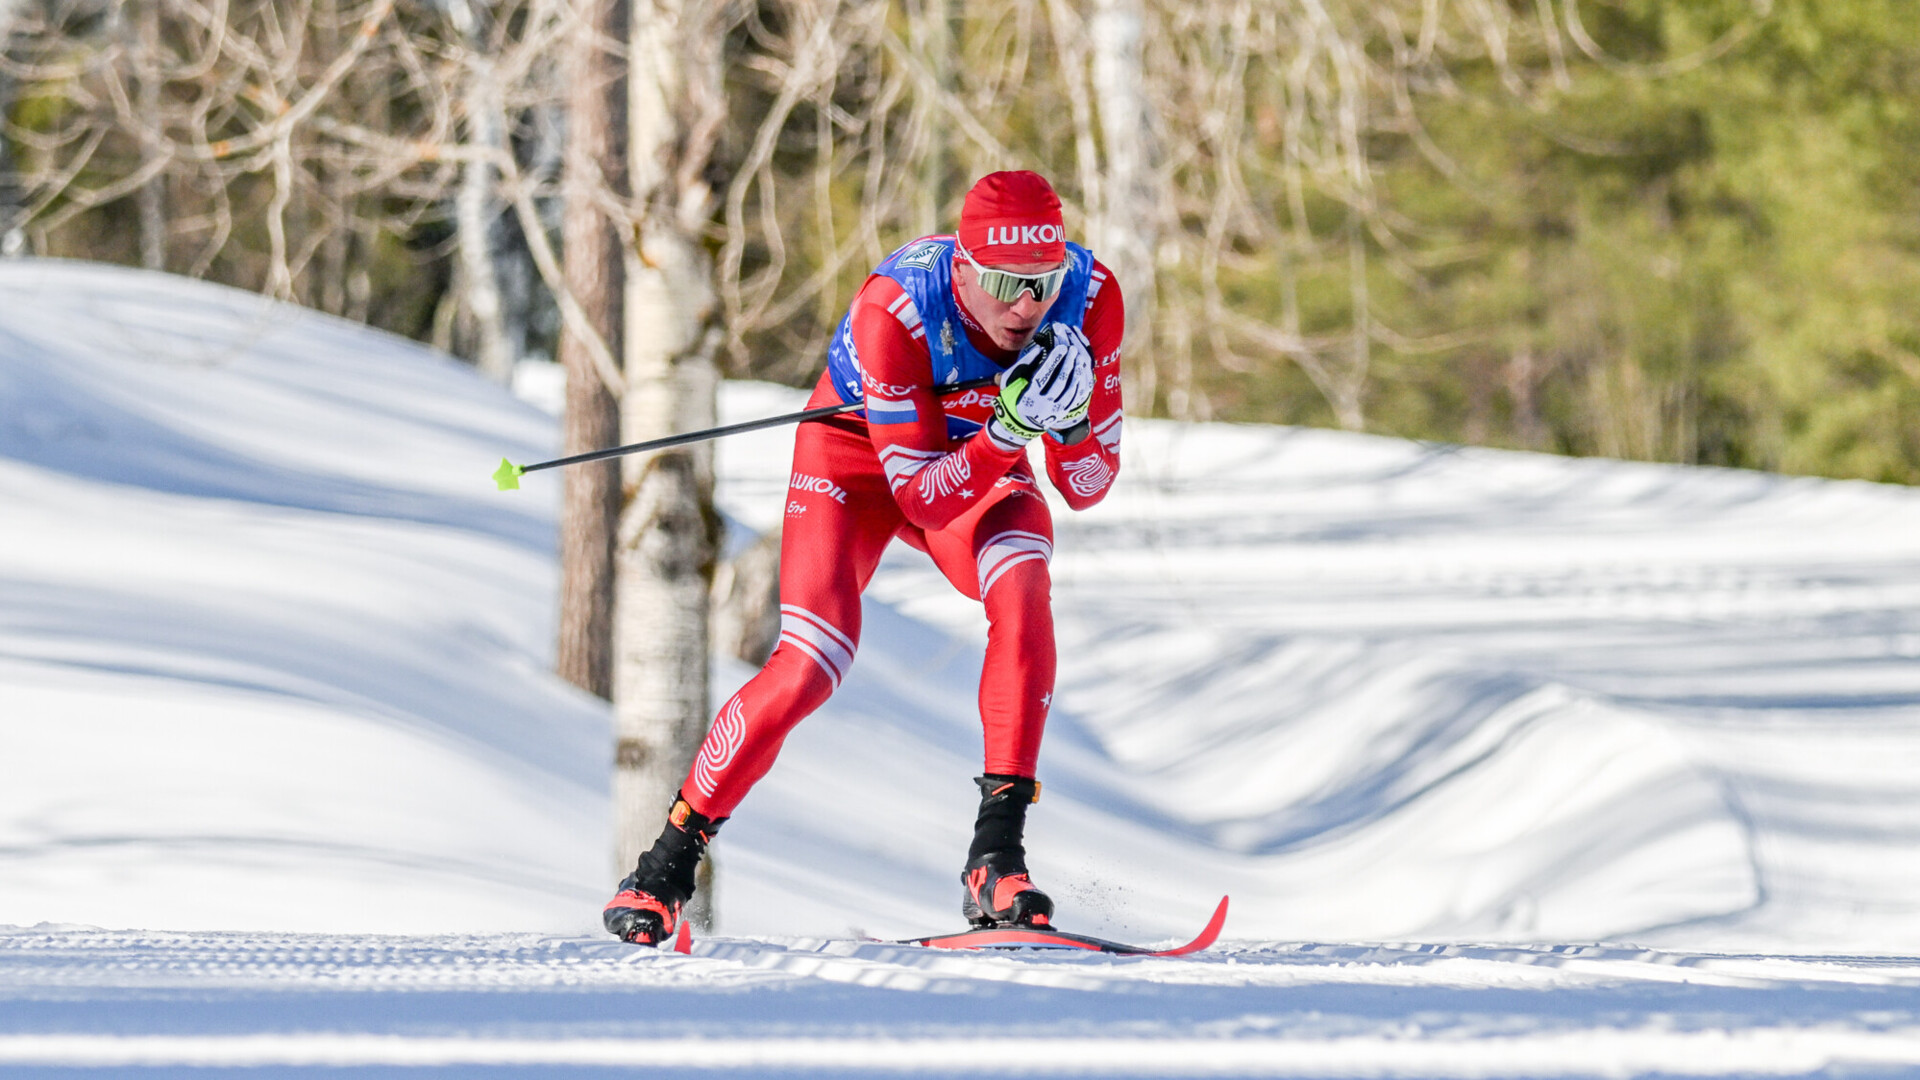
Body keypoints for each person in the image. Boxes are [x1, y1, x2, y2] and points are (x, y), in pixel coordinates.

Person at [603, 170, 1126, 945]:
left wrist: (1074, 422)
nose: (1027, 306)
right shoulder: (899, 309)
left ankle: (997, 855)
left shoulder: (1090, 296)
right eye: (1005, 283)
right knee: (812, 659)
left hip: (974, 457)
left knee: (1023, 578)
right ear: (962, 266)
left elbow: (1089, 485)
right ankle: (665, 864)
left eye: (1042, 283)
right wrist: (1012, 432)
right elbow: (920, 501)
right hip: (857, 459)